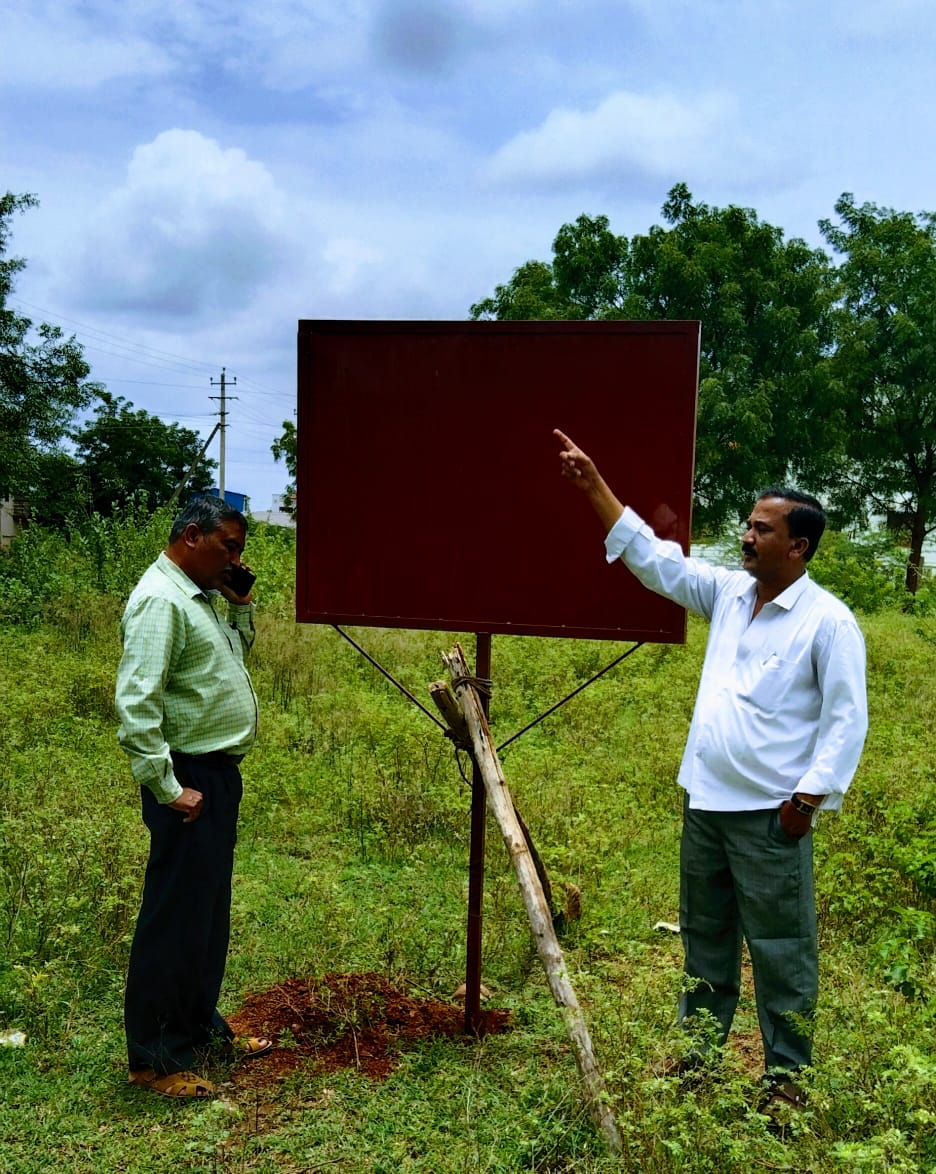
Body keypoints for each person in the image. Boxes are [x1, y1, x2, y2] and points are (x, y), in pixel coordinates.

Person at [554, 428, 868, 1116]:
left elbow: (846, 722)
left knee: (783, 950)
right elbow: (656, 561)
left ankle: (786, 1081)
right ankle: (699, 1060)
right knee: (707, 943)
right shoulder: (728, 593)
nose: (748, 536)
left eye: (763, 528)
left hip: (771, 817)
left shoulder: (828, 623)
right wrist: (595, 486)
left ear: (800, 547)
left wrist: (806, 802)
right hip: (706, 807)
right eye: (749, 525)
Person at [116, 497, 271, 1098]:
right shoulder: (160, 600)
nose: (235, 559)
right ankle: (153, 1060)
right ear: (190, 536)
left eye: (239, 550)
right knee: (175, 919)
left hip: (216, 775)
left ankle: (199, 1028)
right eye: (227, 547)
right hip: (188, 778)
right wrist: (167, 786)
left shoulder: (201, 597)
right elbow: (137, 703)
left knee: (206, 916)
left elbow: (227, 663)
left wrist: (241, 608)